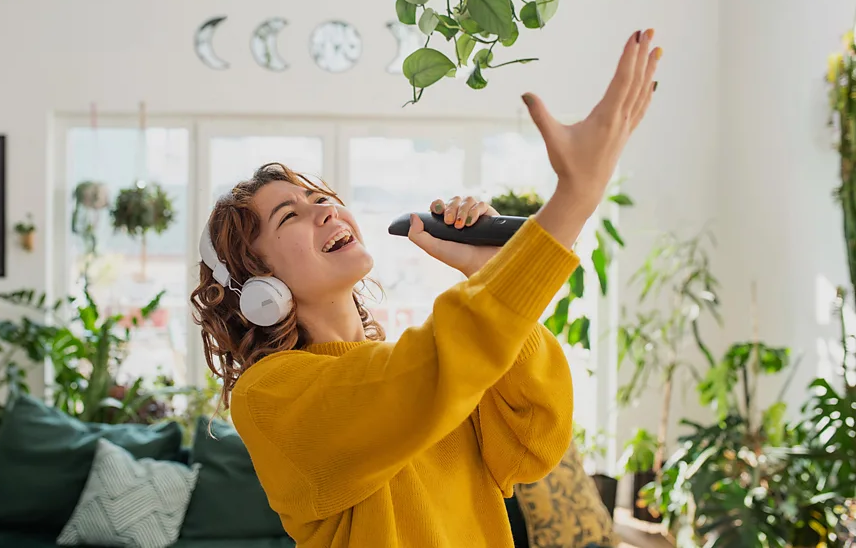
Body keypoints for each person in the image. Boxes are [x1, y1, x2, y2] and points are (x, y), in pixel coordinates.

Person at [190, 29, 662, 547]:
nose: (323, 208)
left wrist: (486, 272)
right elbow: (418, 378)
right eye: (290, 215)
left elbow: (535, 443)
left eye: (318, 197)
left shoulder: (426, 371)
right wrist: (576, 197)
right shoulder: (269, 395)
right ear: (260, 284)